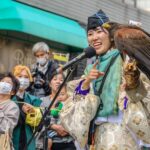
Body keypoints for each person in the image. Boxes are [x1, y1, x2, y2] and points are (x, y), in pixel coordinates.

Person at [78, 10, 140, 149]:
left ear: (111, 36)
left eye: (99, 32)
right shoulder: (90, 68)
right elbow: (77, 103)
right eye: (90, 34)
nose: (94, 37)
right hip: (98, 133)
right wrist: (87, 82)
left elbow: (143, 88)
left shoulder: (124, 56)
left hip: (122, 131)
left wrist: (131, 82)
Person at [40, 73, 76, 150]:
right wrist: (53, 126)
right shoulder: (42, 101)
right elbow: (38, 121)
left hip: (68, 142)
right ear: (49, 83)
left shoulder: (70, 102)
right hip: (49, 142)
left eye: (61, 80)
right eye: (55, 79)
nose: (58, 82)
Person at [12, 65, 42, 150]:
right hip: (12, 140)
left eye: (26, 77)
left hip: (28, 141)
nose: (23, 80)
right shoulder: (7, 98)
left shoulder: (33, 100)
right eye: (20, 76)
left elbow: (39, 126)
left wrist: (32, 112)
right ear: (14, 79)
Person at [0, 72, 20, 149]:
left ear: (13, 92)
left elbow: (5, 128)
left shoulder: (12, 106)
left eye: (8, 83)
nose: (4, 84)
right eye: (2, 81)